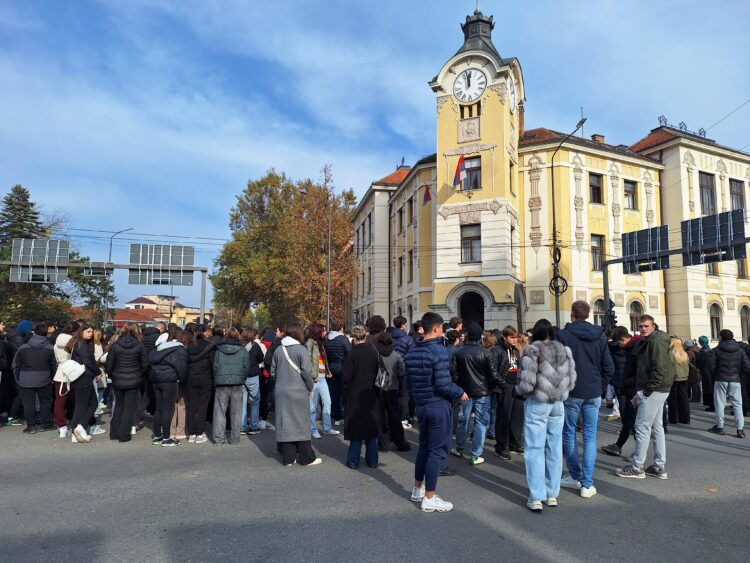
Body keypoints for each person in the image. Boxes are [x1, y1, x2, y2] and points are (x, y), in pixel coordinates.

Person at [404, 312, 467, 513]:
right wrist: (460, 392)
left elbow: (409, 382)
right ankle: (430, 497)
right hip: (437, 405)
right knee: (436, 451)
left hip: (422, 405)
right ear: (437, 328)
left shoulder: (412, 350)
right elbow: (443, 384)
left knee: (424, 447)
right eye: (442, 328)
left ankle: (418, 489)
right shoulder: (438, 351)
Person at [515, 319, 576, 512]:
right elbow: (571, 381)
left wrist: (519, 391)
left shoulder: (532, 351)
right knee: (554, 448)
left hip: (538, 402)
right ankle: (552, 494)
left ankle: (536, 496)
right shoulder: (564, 351)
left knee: (534, 448)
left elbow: (527, 383)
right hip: (557, 403)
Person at [558, 301, 614, 499]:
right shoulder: (599, 336)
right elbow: (608, 367)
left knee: (569, 433)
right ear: (588, 315)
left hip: (572, 390)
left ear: (572, 314)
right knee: (590, 437)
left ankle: (575, 475)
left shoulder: (564, 335)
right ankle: (587, 483)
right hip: (593, 389)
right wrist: (601, 386)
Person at [615, 315, 674, 480]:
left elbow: (659, 370)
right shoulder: (652, 341)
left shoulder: (655, 343)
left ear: (653, 326)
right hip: (657, 389)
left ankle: (637, 467)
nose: (642, 329)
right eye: (640, 326)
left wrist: (646, 392)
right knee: (656, 428)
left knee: (642, 428)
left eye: (646, 326)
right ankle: (659, 466)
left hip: (653, 390)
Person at [270, 322, 322, 466]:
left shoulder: (279, 350)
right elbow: (307, 372)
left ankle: (289, 457)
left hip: (281, 390)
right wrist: (310, 386)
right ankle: (307, 457)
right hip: (298, 390)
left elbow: (273, 372)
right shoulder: (301, 350)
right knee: (301, 422)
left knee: (286, 422)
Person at [450, 322, 498, 465]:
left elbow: (453, 373)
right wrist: (492, 386)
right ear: (479, 337)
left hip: (464, 391)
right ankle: (476, 454)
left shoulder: (458, 352)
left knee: (463, 420)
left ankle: (459, 448)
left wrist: (458, 387)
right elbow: (492, 375)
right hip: (483, 391)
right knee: (480, 422)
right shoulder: (486, 353)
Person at [341, 325, 381, 468]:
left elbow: (346, 377)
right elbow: (379, 372)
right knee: (371, 429)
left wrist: (346, 391)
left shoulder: (351, 354)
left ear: (354, 338)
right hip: (371, 393)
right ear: (365, 336)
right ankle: (372, 460)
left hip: (355, 394)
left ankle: (353, 461)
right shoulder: (374, 352)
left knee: (356, 430)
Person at [105, 323, 148, 442]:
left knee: (119, 405)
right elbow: (145, 364)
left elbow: (109, 364)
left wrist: (112, 375)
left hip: (118, 379)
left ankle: (114, 433)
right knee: (129, 408)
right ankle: (124, 434)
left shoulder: (115, 345)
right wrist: (139, 374)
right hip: (134, 379)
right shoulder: (140, 346)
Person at [601, 331, 641, 457]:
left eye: (618, 343)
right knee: (628, 419)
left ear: (623, 339)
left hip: (628, 387)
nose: (618, 345)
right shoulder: (631, 346)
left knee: (631, 420)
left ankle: (638, 452)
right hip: (625, 386)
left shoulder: (634, 348)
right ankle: (619, 446)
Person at [12, 322, 56, 434]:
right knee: (45, 402)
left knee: (28, 403)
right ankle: (45, 424)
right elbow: (54, 365)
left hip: (25, 378)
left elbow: (16, 365)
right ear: (46, 333)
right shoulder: (51, 348)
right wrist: (52, 378)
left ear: (34, 333)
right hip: (44, 377)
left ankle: (31, 426)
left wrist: (18, 378)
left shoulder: (23, 348)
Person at [149, 327, 189, 447]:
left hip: (156, 379)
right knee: (168, 409)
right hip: (170, 380)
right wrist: (182, 381)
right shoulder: (180, 349)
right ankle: (167, 438)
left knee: (159, 409)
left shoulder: (159, 347)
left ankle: (157, 436)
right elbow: (182, 368)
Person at [706, 329, 749, 438]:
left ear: (721, 337)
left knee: (720, 404)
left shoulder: (715, 350)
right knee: (737, 404)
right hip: (735, 379)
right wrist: (738, 375)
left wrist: (717, 373)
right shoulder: (740, 350)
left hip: (720, 379)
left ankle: (720, 427)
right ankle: (740, 429)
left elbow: (711, 366)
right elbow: (746, 366)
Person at [211, 327, 251, 445]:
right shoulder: (243, 350)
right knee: (236, 413)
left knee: (219, 412)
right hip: (237, 384)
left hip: (221, 383)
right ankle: (234, 439)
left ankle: (218, 438)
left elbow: (215, 367)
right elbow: (247, 366)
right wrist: (242, 378)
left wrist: (216, 379)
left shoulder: (219, 350)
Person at [374, 330, 411, 452]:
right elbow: (402, 372)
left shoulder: (376, 355)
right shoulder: (397, 355)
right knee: (394, 417)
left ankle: (383, 444)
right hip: (393, 388)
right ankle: (400, 442)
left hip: (379, 388)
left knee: (381, 418)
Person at [65, 323, 101, 443]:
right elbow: (88, 362)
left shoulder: (78, 343)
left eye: (92, 332)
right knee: (90, 404)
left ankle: (76, 431)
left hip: (80, 377)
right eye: (88, 332)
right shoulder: (82, 345)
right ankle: (80, 427)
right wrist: (98, 372)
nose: (90, 334)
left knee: (82, 405)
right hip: (84, 377)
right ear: (81, 332)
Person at [493, 326, 524, 460]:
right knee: (504, 417)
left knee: (517, 416)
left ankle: (514, 443)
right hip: (505, 386)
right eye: (512, 337)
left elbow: (518, 367)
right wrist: (503, 384)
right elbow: (493, 370)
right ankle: (501, 447)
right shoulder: (497, 350)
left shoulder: (515, 350)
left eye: (516, 337)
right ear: (504, 337)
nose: (515, 340)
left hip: (516, 385)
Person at [305, 323, 339, 439]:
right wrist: (313, 376)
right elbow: (307, 361)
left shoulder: (320, 344)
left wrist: (327, 371)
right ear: (318, 332)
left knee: (327, 402)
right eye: (323, 331)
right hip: (314, 379)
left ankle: (327, 428)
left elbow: (323, 360)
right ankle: (313, 429)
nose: (325, 333)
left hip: (322, 378)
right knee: (312, 407)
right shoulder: (310, 343)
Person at [184, 323, 215, 444]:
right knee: (202, 406)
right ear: (204, 332)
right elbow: (212, 364)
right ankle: (200, 433)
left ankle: (192, 433)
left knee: (191, 406)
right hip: (205, 378)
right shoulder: (209, 345)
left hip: (191, 378)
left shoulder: (188, 345)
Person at [324, 320, 351, 427]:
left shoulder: (327, 339)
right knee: (344, 392)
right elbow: (349, 353)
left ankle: (336, 414)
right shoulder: (343, 339)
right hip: (342, 367)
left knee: (334, 392)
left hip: (330, 367)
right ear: (341, 328)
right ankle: (342, 414)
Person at [667, 338, 690, 425]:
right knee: (684, 398)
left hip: (674, 378)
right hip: (684, 378)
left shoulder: (671, 354)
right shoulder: (684, 354)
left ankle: (674, 418)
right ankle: (685, 418)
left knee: (673, 399)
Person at [696, 336, 713, 412]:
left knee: (708, 388)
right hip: (711, 371)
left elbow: (701, 363)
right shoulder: (710, 350)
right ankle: (711, 404)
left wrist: (699, 369)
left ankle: (711, 404)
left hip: (706, 372)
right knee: (710, 388)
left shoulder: (703, 351)